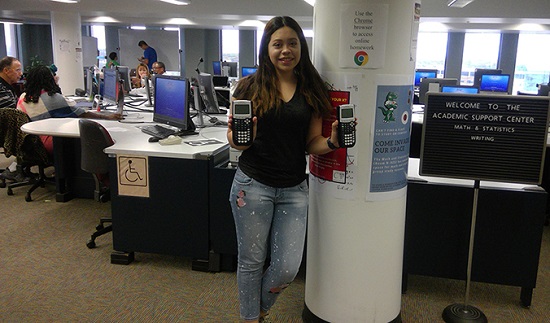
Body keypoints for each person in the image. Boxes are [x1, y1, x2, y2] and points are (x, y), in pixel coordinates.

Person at [227, 16, 342, 323]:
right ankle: (251, 318)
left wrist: (331, 143)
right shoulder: (248, 87)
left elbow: (311, 143)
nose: (285, 50)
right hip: (252, 186)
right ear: (267, 49)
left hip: (294, 189)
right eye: (277, 44)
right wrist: (243, 138)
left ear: (301, 47)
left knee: (287, 267)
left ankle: (260, 308)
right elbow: (234, 140)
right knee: (251, 261)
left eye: (292, 43)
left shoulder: (311, 88)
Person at [17, 65, 123, 155]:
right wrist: (107, 117)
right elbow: (81, 114)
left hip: (29, 140)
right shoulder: (52, 98)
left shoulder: (23, 97)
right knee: (93, 138)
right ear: (50, 79)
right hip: (47, 143)